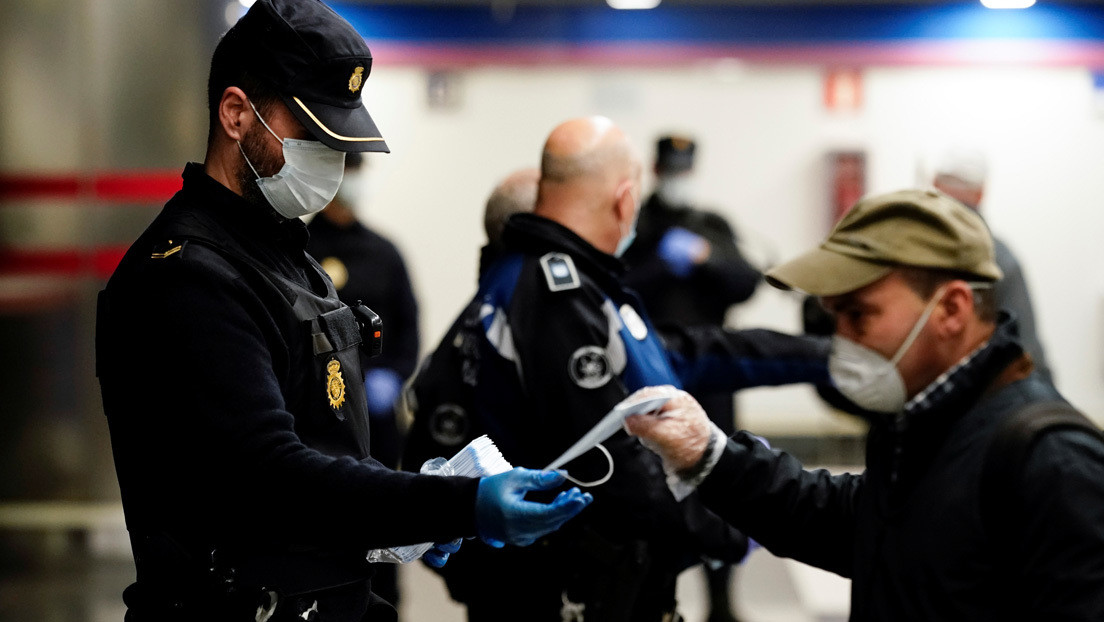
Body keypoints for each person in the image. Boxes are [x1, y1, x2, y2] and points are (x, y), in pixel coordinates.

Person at [94, 2, 591, 620]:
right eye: (314, 134)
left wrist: (404, 516)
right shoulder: (188, 277)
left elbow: (320, 455)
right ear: (236, 114)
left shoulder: (283, 256)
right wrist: (456, 504)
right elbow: (271, 477)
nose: (331, 158)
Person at [405, 116, 833, 622]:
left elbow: (691, 349)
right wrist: (734, 522)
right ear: (626, 199)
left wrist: (819, 356)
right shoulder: (555, 293)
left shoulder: (580, 285)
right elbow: (615, 466)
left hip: (588, 569)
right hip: (571, 579)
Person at [624, 188, 1104, 621]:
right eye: (836, 317)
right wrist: (710, 456)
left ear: (952, 310)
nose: (842, 340)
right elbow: (859, 525)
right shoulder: (921, 423)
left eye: (860, 315)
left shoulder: (1049, 461)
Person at [620, 134, 761, 622]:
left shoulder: (711, 225)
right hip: (651, 379)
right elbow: (615, 285)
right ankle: (654, 596)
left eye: (686, 170)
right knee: (650, 487)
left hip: (712, 382)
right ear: (656, 170)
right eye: (671, 170)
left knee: (719, 483)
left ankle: (722, 600)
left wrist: (708, 259)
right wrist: (661, 264)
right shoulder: (638, 227)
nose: (679, 179)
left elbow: (747, 280)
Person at [306, 152, 420, 608]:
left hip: (378, 417)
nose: (352, 181)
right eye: (345, 171)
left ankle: (386, 606)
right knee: (329, 530)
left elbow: (409, 327)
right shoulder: (300, 248)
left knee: (384, 525)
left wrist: (393, 374)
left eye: (358, 171)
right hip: (320, 419)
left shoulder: (385, 252)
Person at [931, 147, 1053, 383]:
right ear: (981, 193)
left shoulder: (907, 251)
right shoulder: (1002, 259)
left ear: (934, 184)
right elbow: (1028, 351)